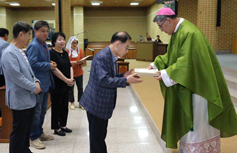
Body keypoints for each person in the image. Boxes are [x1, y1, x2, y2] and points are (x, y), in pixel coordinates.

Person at [148, 7, 237, 152]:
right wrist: (156, 64)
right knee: (194, 122)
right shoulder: (179, 32)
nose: (161, 31)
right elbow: (172, 55)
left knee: (197, 123)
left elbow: (188, 62)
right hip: (192, 84)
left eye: (160, 26)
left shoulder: (189, 33)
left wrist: (166, 73)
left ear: (168, 21)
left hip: (199, 88)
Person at [80, 31, 143, 153]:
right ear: (118, 44)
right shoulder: (102, 57)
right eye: (126, 47)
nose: (127, 51)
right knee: (97, 139)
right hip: (96, 104)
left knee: (100, 137)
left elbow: (109, 76)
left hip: (102, 104)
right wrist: (125, 80)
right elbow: (104, 80)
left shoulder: (110, 55)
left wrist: (123, 75)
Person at [1, 21, 41, 153]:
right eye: (29, 34)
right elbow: (17, 77)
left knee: (25, 130)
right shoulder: (9, 53)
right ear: (21, 34)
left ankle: (24, 149)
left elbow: (29, 71)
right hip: (19, 100)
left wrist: (36, 81)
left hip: (28, 99)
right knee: (18, 132)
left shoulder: (20, 51)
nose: (30, 38)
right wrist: (34, 87)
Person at [26, 20, 56, 149]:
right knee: (36, 112)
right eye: (42, 31)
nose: (45, 33)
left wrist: (49, 63)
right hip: (37, 84)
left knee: (43, 111)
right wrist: (48, 65)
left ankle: (39, 132)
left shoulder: (43, 44)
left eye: (47, 31)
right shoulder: (34, 45)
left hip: (45, 83)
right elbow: (31, 64)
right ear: (35, 32)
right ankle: (33, 137)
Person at [50, 32, 74, 136]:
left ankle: (63, 125)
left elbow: (69, 66)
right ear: (54, 42)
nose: (62, 41)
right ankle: (56, 127)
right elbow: (54, 70)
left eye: (63, 39)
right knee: (56, 105)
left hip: (67, 83)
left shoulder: (65, 53)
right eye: (59, 40)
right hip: (57, 84)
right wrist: (66, 80)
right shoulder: (52, 53)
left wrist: (71, 78)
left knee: (65, 105)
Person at [65, 36, 84, 110]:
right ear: (70, 43)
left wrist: (81, 62)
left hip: (79, 72)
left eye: (76, 43)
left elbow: (83, 61)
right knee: (70, 88)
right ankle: (72, 102)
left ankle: (81, 103)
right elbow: (65, 62)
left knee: (80, 88)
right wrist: (72, 62)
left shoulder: (80, 50)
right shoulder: (67, 51)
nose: (74, 44)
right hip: (70, 73)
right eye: (73, 43)